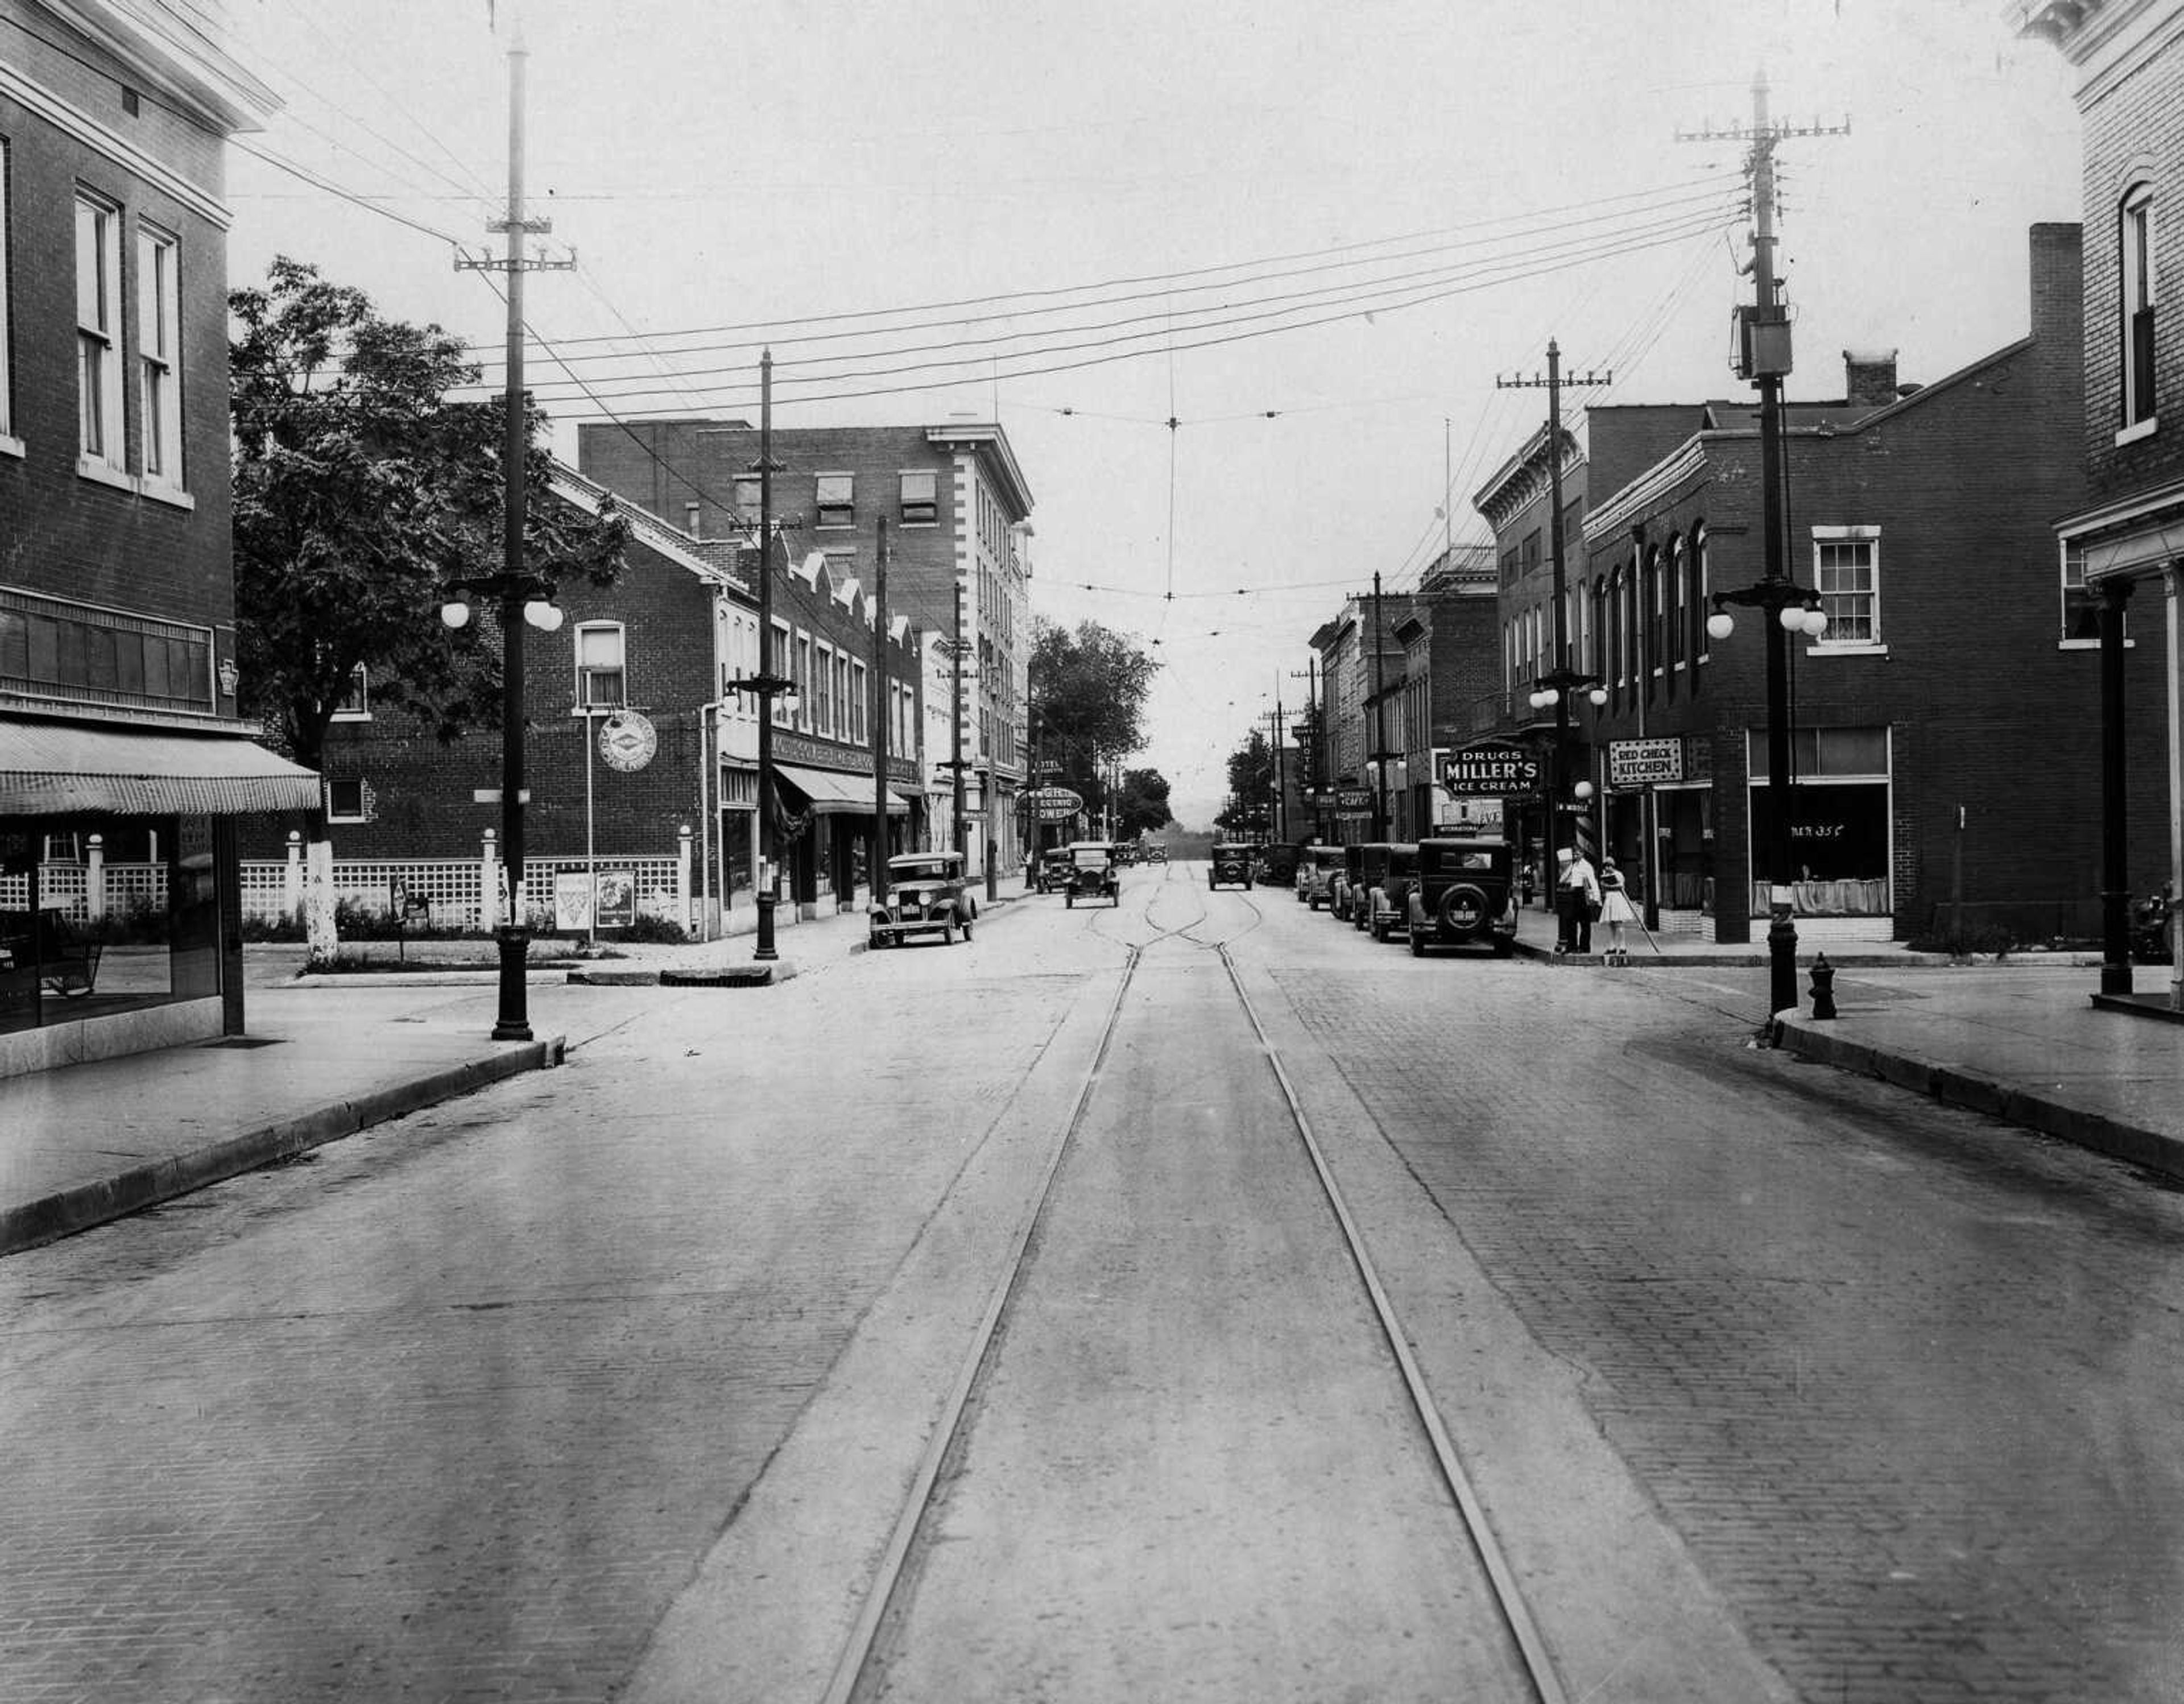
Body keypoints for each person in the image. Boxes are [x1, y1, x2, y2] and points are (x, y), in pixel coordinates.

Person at [1557, 844, 1600, 955]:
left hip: (1583, 894)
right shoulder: (1573, 865)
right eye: (1574, 854)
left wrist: (1597, 898)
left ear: (1582, 854)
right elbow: (1563, 879)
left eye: (1578, 854)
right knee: (1571, 922)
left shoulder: (1587, 866)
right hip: (1574, 893)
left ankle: (1584, 947)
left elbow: (1593, 882)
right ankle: (1572, 946)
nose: (1576, 856)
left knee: (1585, 923)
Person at [1598, 857, 1639, 965]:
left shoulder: (1619, 874)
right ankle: (1612, 946)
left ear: (1613, 866)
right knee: (1611, 924)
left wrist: (1609, 885)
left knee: (1619, 924)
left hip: (1617, 899)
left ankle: (1623, 946)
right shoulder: (1605, 875)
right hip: (1610, 899)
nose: (1608, 868)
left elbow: (1621, 886)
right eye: (1606, 866)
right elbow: (1603, 889)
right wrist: (1604, 886)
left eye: (1610, 866)